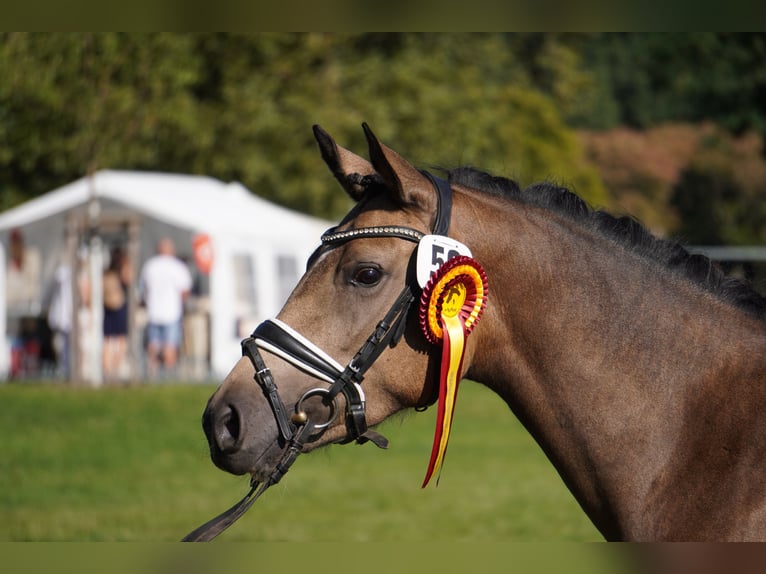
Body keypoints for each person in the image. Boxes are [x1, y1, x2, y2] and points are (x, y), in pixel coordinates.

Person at [139, 238, 192, 378]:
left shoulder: (150, 266)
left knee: (153, 344)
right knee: (170, 345)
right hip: (171, 312)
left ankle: (153, 373)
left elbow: (143, 289)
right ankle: (168, 375)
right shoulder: (177, 267)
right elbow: (185, 291)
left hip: (153, 311)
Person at [102, 246, 132, 381]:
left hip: (107, 307)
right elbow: (129, 281)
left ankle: (108, 368)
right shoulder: (121, 271)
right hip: (119, 307)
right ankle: (115, 368)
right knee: (121, 339)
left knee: (107, 339)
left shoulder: (107, 272)